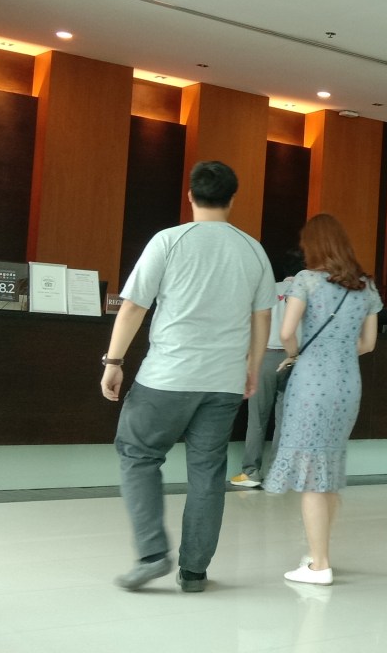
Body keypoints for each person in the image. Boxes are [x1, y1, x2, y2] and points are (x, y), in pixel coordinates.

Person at [100, 161, 274, 593]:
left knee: (138, 454)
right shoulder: (253, 250)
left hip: (167, 377)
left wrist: (113, 361)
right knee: (207, 472)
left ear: (191, 195)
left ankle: (152, 554)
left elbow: (134, 306)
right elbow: (262, 317)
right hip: (223, 382)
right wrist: (252, 368)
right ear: (232, 199)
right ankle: (194, 571)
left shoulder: (169, 240)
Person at [263, 213, 382, 585]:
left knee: (312, 477)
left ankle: (320, 565)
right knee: (327, 468)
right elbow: (368, 344)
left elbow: (286, 332)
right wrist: (339, 352)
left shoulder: (306, 280)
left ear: (312, 245)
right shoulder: (366, 286)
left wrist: (296, 354)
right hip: (347, 384)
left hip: (311, 383)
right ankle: (319, 553)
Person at [230, 250, 305, 488]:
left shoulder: (269, 290)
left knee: (257, 419)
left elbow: (252, 323)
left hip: (265, 357)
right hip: (296, 359)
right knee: (286, 420)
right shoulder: (309, 293)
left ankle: (251, 472)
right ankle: (278, 475)